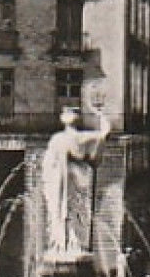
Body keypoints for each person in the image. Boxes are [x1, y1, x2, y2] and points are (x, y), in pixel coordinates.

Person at [41, 101, 112, 254]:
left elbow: (47, 166)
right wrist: (100, 114)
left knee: (60, 212)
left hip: (63, 184)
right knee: (77, 214)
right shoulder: (82, 138)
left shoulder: (57, 139)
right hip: (76, 182)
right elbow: (104, 134)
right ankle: (73, 244)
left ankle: (61, 244)